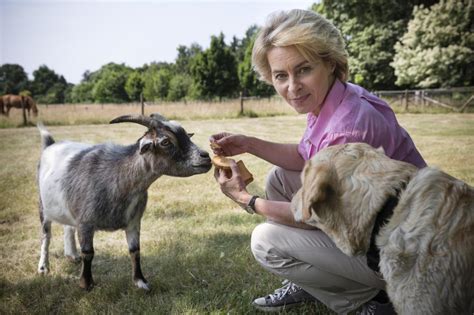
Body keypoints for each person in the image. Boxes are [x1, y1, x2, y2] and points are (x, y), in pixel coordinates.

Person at [210, 9, 426, 315]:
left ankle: (368, 302)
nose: (292, 87)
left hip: (406, 254)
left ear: (330, 62)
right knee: (281, 178)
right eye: (280, 75)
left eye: (303, 70)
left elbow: (313, 214)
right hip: (382, 226)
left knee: (265, 242)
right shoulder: (335, 99)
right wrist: (248, 143)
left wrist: (246, 199)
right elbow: (305, 155)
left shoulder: (348, 127)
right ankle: (315, 279)